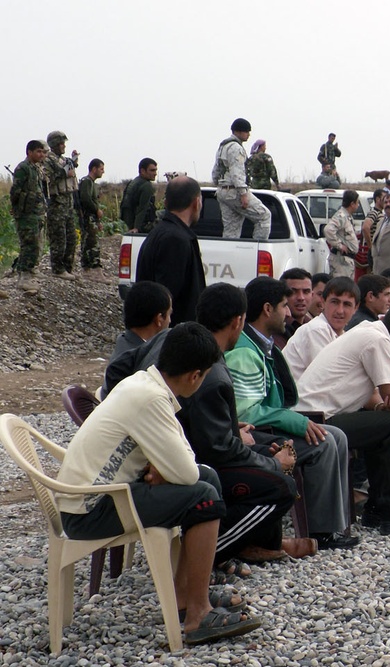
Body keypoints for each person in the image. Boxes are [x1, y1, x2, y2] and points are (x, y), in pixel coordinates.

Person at [56, 323, 263, 645]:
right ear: (195, 375)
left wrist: (165, 471)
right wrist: (168, 471)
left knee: (208, 477)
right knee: (204, 495)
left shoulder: (144, 383)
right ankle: (198, 615)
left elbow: (186, 461)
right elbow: (187, 473)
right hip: (90, 511)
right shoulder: (151, 398)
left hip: (94, 498)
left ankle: (185, 596)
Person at [179, 283, 314, 565]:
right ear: (238, 321)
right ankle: (206, 554)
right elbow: (216, 449)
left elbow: (209, 425)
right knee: (280, 486)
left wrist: (237, 432)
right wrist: (271, 463)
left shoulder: (200, 350)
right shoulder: (212, 369)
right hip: (194, 462)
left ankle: (264, 542)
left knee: (267, 450)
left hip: (193, 448)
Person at [225, 277, 356, 549]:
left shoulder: (261, 343)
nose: (289, 312)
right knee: (324, 441)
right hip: (254, 434)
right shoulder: (244, 352)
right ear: (267, 309)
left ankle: (338, 522)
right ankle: (321, 530)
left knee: (339, 436)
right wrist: (295, 421)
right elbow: (247, 411)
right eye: (284, 305)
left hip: (268, 425)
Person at [293, 306, 390, 535]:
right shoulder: (378, 340)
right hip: (319, 421)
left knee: (386, 422)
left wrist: (382, 406)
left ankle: (379, 506)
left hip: (310, 415)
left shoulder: (365, 330)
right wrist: (389, 401)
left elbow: (375, 395)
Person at [135, 176, 207, 326]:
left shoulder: (162, 233)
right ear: (196, 202)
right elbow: (165, 298)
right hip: (173, 339)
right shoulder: (175, 240)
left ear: (166, 203)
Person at [283, 277, 358, 379]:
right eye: (334, 302)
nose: (340, 310)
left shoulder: (342, 334)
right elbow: (329, 379)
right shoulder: (317, 329)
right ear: (323, 302)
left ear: (356, 308)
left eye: (347, 304)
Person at [212, 118, 271, 241]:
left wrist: (218, 185)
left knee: (231, 230)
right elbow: (236, 172)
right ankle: (258, 248)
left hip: (223, 191)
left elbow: (216, 171)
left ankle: (229, 257)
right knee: (264, 216)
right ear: (238, 132)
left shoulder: (223, 146)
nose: (249, 134)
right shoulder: (236, 148)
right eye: (246, 131)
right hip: (235, 191)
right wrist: (243, 193)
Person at [9, 139, 47, 294]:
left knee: (36, 244)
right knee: (28, 244)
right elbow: (15, 191)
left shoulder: (36, 168)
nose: (41, 154)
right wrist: (17, 208)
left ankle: (29, 271)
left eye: (42, 152)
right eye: (38, 151)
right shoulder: (23, 168)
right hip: (26, 214)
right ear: (29, 152)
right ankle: (23, 277)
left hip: (36, 213)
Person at [43, 130, 80, 279]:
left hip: (68, 204)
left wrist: (73, 161)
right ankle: (58, 269)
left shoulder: (61, 160)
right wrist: (64, 173)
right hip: (56, 204)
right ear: (54, 144)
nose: (63, 145)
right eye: (61, 143)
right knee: (59, 238)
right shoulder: (48, 160)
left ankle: (67, 267)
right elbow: (46, 179)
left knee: (71, 238)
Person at [111, 281, 173, 359]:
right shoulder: (142, 361)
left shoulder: (123, 344)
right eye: (169, 314)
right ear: (159, 319)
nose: (170, 321)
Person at [76, 158, 112, 283]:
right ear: (94, 169)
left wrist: (98, 220)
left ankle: (88, 270)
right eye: (101, 169)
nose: (103, 172)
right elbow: (85, 199)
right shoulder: (86, 182)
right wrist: (96, 210)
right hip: (87, 217)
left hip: (91, 219)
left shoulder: (92, 183)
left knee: (90, 242)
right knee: (92, 244)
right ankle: (93, 270)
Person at [323, 190, 361, 279]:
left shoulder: (347, 217)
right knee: (341, 289)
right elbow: (328, 230)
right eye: (357, 203)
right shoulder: (341, 216)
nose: (358, 205)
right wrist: (339, 245)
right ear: (352, 204)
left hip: (347, 262)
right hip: (340, 261)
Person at [275, 267, 313, 348]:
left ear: (312, 295)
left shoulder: (313, 325)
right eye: (293, 292)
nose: (301, 298)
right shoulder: (276, 328)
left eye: (306, 292)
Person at [121, 157, 159, 234]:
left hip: (129, 223)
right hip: (143, 225)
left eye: (155, 170)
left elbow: (125, 206)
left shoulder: (133, 183)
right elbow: (142, 208)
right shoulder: (146, 185)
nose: (155, 173)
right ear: (142, 171)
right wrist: (136, 228)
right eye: (152, 170)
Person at [356, 189, 385, 280]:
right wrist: (371, 246)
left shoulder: (381, 214)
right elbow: (365, 227)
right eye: (384, 198)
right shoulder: (374, 213)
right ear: (377, 199)